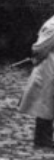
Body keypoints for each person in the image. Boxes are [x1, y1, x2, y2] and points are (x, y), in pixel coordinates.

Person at [19, 13, 54, 149]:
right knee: (45, 102)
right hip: (49, 67)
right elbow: (39, 48)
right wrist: (37, 59)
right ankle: (42, 139)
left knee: (48, 102)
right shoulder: (52, 25)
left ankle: (44, 138)